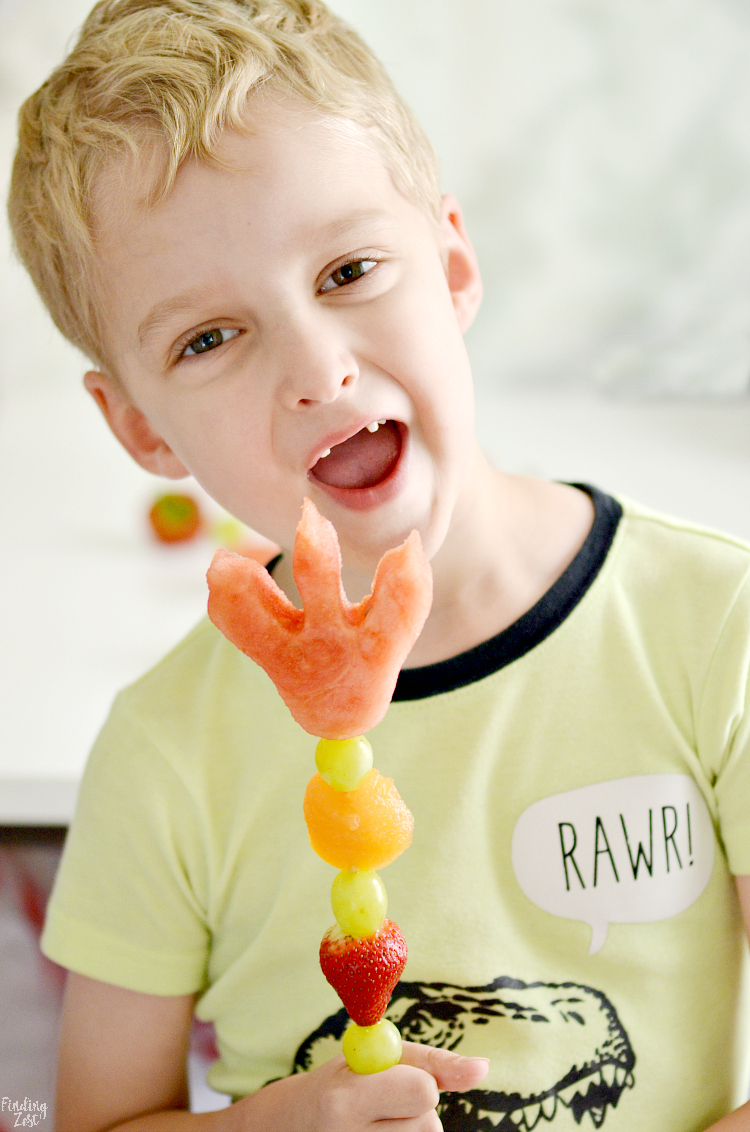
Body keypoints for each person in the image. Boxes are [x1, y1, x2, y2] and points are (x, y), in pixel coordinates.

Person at [7, 1, 750, 1129]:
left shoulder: (714, 631)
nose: (319, 371)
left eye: (350, 269)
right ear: (141, 432)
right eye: (207, 338)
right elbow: (98, 1120)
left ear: (452, 263)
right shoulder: (165, 752)